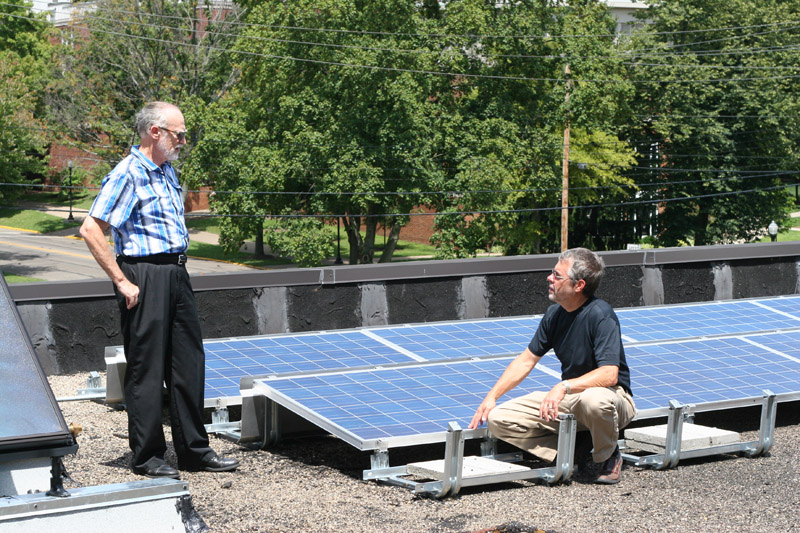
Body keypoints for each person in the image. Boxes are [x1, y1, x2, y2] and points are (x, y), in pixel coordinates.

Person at [80, 102, 239, 478]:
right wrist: (121, 279)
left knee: (188, 365)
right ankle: (148, 456)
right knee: (146, 370)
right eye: (178, 134)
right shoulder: (128, 173)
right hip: (143, 273)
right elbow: (91, 228)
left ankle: (194, 452)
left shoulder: (167, 171)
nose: (183, 140)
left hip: (176, 273)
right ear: (155, 132)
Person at [469, 247, 635, 484]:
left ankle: (607, 456)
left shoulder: (601, 315)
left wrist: (563, 387)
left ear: (578, 285)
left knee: (594, 401)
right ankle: (575, 453)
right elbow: (526, 360)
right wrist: (492, 396)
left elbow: (609, 374)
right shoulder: (554, 314)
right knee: (498, 419)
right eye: (552, 273)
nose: (549, 278)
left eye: (557, 276)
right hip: (573, 397)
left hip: (612, 398)